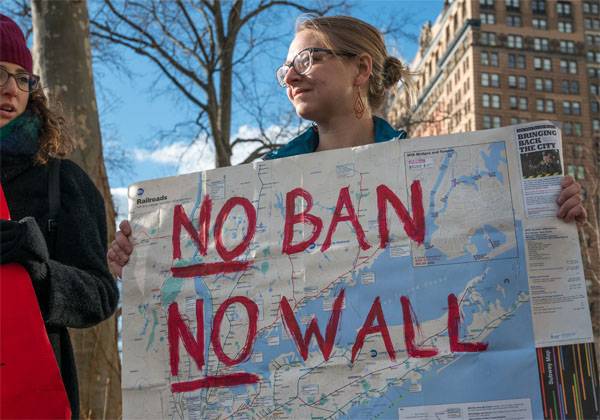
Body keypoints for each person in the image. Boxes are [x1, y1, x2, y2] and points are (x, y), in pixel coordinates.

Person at [107, 15, 586, 276]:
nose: (290, 76)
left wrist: (549, 212)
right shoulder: (257, 188)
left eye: (308, 58)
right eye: (284, 69)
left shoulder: (438, 175)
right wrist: (144, 258)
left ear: (360, 69)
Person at [0, 14, 119, 418]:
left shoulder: (59, 180)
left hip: (27, 389)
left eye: (22, 78)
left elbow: (101, 294)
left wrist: (40, 271)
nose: (11, 90)